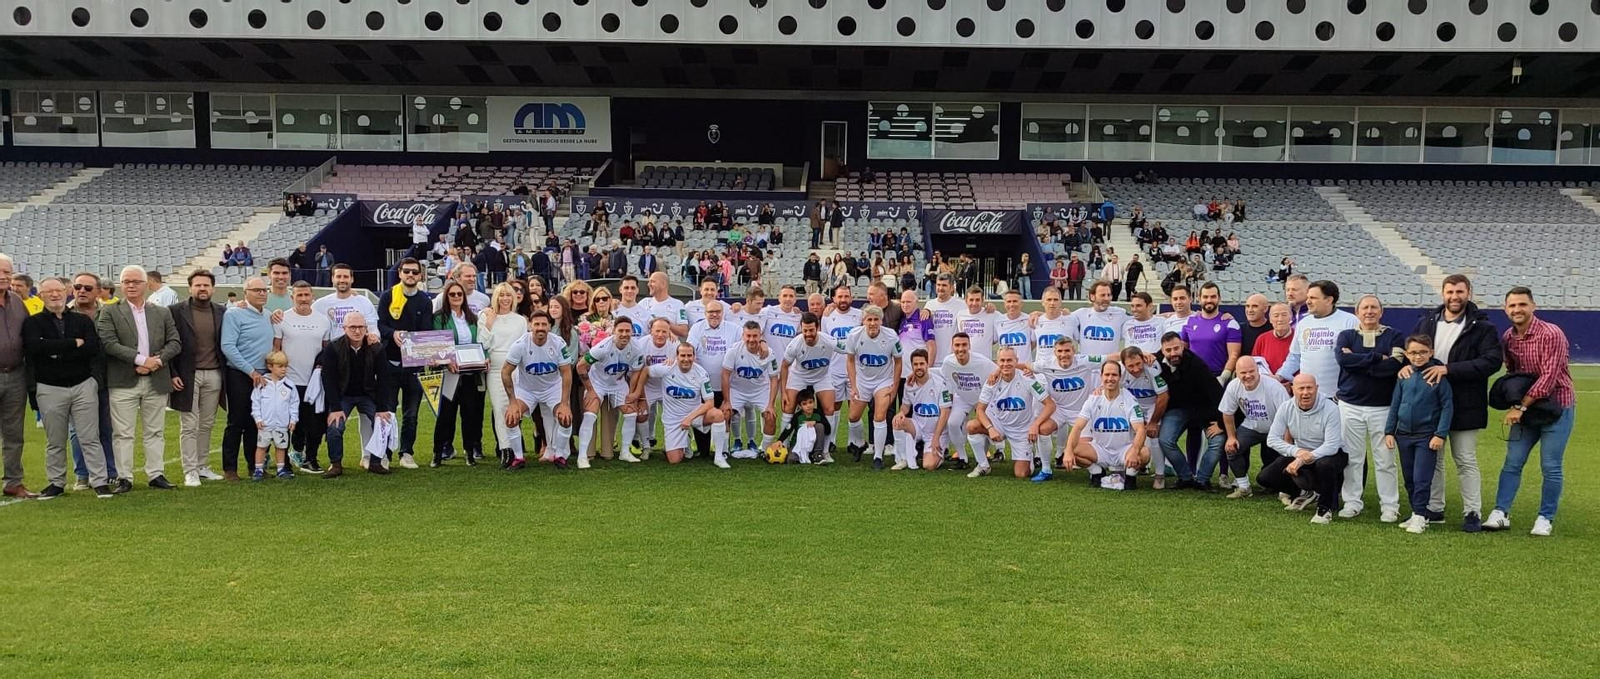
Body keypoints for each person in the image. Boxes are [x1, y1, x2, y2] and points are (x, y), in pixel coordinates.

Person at [1408, 274, 1499, 532]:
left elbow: (1491, 361)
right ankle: (1434, 509)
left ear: (1468, 293)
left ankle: (1472, 511)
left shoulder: (1483, 327)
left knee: (1465, 459)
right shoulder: (1426, 322)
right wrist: (1404, 368)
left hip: (1466, 404)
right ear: (1443, 293)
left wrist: (1449, 369)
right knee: (1432, 459)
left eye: (1459, 292)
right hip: (1430, 405)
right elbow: (1413, 353)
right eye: (1450, 292)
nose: (1454, 297)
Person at [1484, 287, 1572, 537]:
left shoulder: (1551, 333)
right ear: (1505, 309)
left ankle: (1545, 517)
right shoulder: (1508, 338)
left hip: (1558, 405)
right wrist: (1516, 401)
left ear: (1533, 306)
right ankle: (1501, 513)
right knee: (1512, 461)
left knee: (1551, 465)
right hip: (1526, 411)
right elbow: (1513, 373)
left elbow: (1549, 377)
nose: (1517, 310)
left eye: (1522, 304)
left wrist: (1520, 406)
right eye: (1512, 306)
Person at [23, 277, 113, 498]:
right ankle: (56, 482)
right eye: (49, 292)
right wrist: (73, 343)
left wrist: (53, 350)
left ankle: (99, 481)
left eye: (58, 291)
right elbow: (35, 348)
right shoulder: (33, 323)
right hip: (49, 387)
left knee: (89, 436)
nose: (54, 295)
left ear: (66, 292)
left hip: (83, 384)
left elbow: (92, 347)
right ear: (41, 295)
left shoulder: (82, 320)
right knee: (55, 439)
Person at [96, 265, 182, 491]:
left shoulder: (162, 312)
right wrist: (142, 361)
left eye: (135, 281)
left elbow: (174, 342)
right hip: (124, 380)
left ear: (146, 284)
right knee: (123, 432)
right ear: (121, 285)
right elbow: (108, 343)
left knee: (155, 431)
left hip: (156, 379)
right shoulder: (109, 312)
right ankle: (125, 477)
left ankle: (156, 474)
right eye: (126, 282)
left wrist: (157, 362)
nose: (131, 285)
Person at [1333, 294, 1405, 522]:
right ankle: (1352, 502)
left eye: (1374, 307)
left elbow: (1393, 367)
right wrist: (1376, 358)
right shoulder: (1346, 335)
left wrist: (1359, 361)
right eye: (1365, 308)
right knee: (1353, 458)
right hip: (1350, 405)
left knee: (1385, 459)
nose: (1369, 311)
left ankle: (1390, 505)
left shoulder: (1394, 335)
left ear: (1381, 312)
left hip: (1382, 407)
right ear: (1357, 312)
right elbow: (1343, 362)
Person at [1385, 334, 1455, 534]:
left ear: (1431, 353)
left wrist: (1440, 434)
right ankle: (1417, 512)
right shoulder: (1403, 376)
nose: (1418, 357)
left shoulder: (1437, 376)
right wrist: (1389, 431)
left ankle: (1420, 516)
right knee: (1409, 477)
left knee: (1421, 477)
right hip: (1403, 435)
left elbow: (1447, 406)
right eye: (1413, 353)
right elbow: (1396, 403)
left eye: (1423, 352)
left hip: (1426, 436)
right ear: (1407, 354)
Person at [1260, 374, 1348, 525]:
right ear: (1293, 389)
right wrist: (1297, 452)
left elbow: (1332, 445)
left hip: (1332, 454)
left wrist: (1301, 459)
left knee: (1324, 465)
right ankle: (1305, 493)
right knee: (1265, 478)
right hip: (1301, 452)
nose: (1305, 392)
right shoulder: (1286, 407)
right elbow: (1272, 439)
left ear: (1317, 389)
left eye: (1309, 388)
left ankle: (1324, 510)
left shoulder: (1331, 408)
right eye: (1301, 388)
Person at [170, 270, 228, 487]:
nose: (202, 289)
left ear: (212, 288)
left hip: (214, 374)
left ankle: (202, 466)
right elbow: (169, 343)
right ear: (190, 288)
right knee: (189, 424)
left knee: (207, 423)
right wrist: (172, 374)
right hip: (187, 374)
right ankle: (190, 471)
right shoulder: (176, 312)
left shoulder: (222, 311)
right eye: (198, 285)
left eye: (206, 285)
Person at [320, 312, 394, 477]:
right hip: (342, 396)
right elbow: (328, 380)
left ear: (366, 328)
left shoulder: (376, 348)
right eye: (352, 327)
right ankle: (336, 465)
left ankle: (376, 462)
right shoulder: (333, 348)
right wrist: (336, 408)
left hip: (368, 395)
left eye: (360, 327)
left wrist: (382, 408)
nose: (357, 331)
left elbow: (384, 379)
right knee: (334, 426)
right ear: (344, 328)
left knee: (383, 424)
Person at [377, 259, 434, 469]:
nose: (410, 275)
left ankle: (407, 453)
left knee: (411, 414)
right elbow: (380, 325)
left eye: (414, 272)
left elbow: (427, 331)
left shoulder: (425, 301)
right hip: (389, 364)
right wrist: (393, 334)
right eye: (406, 271)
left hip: (414, 366)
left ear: (420, 276)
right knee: (388, 412)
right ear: (399, 273)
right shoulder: (388, 296)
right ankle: (385, 454)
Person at [967, 347, 1055, 479]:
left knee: (1021, 474)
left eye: (1009, 360)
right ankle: (983, 465)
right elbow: (979, 410)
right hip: (999, 425)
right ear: (997, 362)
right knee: (971, 426)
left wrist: (1035, 424)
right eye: (1002, 360)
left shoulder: (1027, 378)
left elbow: (1050, 405)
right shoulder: (991, 380)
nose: (1005, 363)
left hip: (1021, 429)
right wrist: (990, 429)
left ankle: (1028, 455)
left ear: (1016, 361)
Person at [502, 311, 575, 469]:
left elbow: (567, 372)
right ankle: (519, 459)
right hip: (526, 390)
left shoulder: (558, 343)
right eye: (536, 324)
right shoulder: (520, 344)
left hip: (552, 388)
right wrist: (512, 402)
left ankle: (560, 456)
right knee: (511, 418)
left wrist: (564, 402)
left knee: (565, 418)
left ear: (549, 326)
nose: (540, 328)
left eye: (543, 324)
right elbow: (505, 371)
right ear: (530, 326)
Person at [219, 276, 274, 481]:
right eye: (257, 290)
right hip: (241, 375)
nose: (262, 293)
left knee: (256, 422)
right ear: (246, 293)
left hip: (263, 376)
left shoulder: (267, 315)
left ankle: (255, 466)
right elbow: (228, 346)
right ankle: (230, 468)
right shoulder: (234, 314)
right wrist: (250, 371)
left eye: (264, 290)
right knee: (237, 421)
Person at [1155, 331, 1225, 490]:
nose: (1173, 353)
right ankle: (1185, 477)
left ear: (1183, 346)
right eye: (1168, 350)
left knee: (1217, 441)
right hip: (1178, 408)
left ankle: (1202, 479)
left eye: (1176, 348)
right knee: (1165, 440)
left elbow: (1218, 394)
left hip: (1204, 408)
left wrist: (1220, 423)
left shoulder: (1197, 365)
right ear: (1162, 350)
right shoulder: (1156, 360)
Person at [1065, 360, 1150, 490]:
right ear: (1101, 376)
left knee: (1144, 454)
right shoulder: (1093, 399)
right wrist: (1068, 452)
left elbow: (1140, 429)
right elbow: (1077, 427)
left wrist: (1134, 451)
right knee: (1072, 449)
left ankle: (1130, 475)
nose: (1110, 378)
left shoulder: (1129, 399)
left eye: (1114, 375)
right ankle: (1096, 471)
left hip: (1124, 450)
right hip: (1100, 449)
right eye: (1107, 375)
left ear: (1120, 377)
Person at [67, 272, 118, 489]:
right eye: (78, 287)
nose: (82, 291)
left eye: (88, 288)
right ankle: (82, 474)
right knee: (78, 430)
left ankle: (109, 471)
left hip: (104, 378)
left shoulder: (110, 313)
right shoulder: (63, 314)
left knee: (105, 427)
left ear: (99, 291)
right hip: (73, 379)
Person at [274, 281, 330, 474]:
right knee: (288, 423)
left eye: (307, 295)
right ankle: (286, 463)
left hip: (314, 383)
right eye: (299, 295)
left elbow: (326, 350)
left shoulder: (323, 320)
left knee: (316, 424)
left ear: (312, 296)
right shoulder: (282, 319)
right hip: (289, 381)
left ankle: (311, 458)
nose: (304, 299)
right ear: (292, 297)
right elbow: (276, 349)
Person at [575, 317, 646, 468]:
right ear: (614, 331)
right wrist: (591, 391)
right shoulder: (602, 347)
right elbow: (580, 366)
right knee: (589, 415)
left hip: (617, 384)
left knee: (631, 413)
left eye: (628, 331)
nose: (625, 334)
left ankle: (625, 452)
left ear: (632, 332)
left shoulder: (637, 349)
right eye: (621, 331)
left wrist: (632, 394)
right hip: (597, 383)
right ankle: (582, 457)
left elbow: (636, 372)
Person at [430, 281, 486, 466]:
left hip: (470, 373)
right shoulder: (439, 318)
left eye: (459, 294)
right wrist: (447, 360)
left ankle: (469, 453)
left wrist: (483, 358)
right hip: (449, 373)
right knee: (446, 415)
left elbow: (480, 341)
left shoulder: (473, 318)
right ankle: (438, 453)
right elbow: (437, 343)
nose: (456, 297)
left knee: (470, 414)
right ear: (446, 297)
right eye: (452, 294)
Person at [1218, 357, 1290, 499]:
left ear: (1258, 371)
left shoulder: (1274, 386)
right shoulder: (1233, 386)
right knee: (1232, 448)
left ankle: (1285, 489)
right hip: (1252, 426)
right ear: (1236, 373)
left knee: (1286, 455)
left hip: (1276, 428)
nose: (1248, 376)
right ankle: (1244, 488)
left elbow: (1289, 416)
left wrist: (1287, 443)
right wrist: (1231, 437)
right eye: (1243, 372)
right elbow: (1227, 412)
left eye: (1251, 371)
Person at [1029, 337, 1098, 481]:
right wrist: (996, 372)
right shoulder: (1046, 364)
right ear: (1054, 352)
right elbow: (1023, 366)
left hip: (1082, 411)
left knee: (1083, 449)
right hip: (1059, 409)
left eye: (1067, 350)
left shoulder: (1085, 361)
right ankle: (1046, 469)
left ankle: (1094, 469)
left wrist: (1145, 355)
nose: (1063, 354)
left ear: (1074, 351)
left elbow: (1113, 357)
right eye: (1059, 351)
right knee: (1043, 430)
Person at [649, 342, 729, 466]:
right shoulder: (666, 368)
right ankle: (682, 442)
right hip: (673, 419)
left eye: (689, 355)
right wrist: (640, 394)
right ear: (677, 356)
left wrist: (689, 418)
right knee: (674, 460)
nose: (686, 359)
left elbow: (710, 403)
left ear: (694, 356)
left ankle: (719, 457)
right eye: (683, 355)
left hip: (694, 415)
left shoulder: (701, 373)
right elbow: (644, 371)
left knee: (718, 414)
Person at [840, 305, 901, 469]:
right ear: (863, 320)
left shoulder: (891, 336)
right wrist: (853, 385)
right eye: (869, 319)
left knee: (879, 415)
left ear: (881, 321)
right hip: (863, 381)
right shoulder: (854, 335)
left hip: (883, 381)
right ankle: (860, 444)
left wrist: (894, 386)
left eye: (876, 319)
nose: (873, 323)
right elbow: (850, 360)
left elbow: (898, 360)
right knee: (853, 417)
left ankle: (878, 457)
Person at [1276, 280, 1357, 397]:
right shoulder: (1303, 324)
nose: (1308, 301)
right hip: (1308, 396)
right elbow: (1295, 357)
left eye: (1313, 298)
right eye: (1308, 297)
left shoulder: (1350, 321)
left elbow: (1358, 357)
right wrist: (1279, 376)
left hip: (1338, 396)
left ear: (1329, 300)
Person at [481, 283, 528, 465]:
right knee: (499, 408)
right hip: (494, 368)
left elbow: (523, 345)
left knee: (515, 408)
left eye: (509, 295)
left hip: (515, 368)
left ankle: (517, 450)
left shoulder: (520, 320)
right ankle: (505, 449)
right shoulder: (485, 316)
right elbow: (482, 343)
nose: (505, 299)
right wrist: (489, 324)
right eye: (501, 295)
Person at [722, 320, 779, 459]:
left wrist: (771, 404)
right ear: (743, 336)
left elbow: (774, 378)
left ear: (760, 336)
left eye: (755, 336)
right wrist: (727, 401)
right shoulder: (734, 351)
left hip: (759, 390)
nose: (751, 339)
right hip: (737, 389)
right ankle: (724, 450)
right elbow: (725, 375)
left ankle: (765, 450)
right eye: (748, 336)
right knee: (725, 414)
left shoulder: (769, 353)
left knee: (771, 417)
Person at [940, 333, 998, 470]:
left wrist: (995, 374)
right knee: (952, 423)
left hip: (982, 399)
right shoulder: (948, 361)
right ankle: (962, 458)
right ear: (952, 347)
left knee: (982, 425)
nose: (961, 348)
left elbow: (999, 369)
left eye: (964, 345)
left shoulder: (981, 361)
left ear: (969, 346)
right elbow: (942, 375)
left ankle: (982, 458)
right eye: (957, 345)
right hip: (962, 397)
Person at [0, 254, 30, 498]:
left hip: (15, 375)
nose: (3, 276)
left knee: (14, 433)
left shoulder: (18, 302)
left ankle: (13, 482)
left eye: (7, 272)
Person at [248, 351, 298, 481]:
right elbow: (256, 402)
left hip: (282, 424)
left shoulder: (289, 385)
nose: (284, 369)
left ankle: (281, 469)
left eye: (285, 366)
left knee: (281, 447)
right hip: (265, 424)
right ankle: (258, 470)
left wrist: (293, 419)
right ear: (270, 367)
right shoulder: (262, 383)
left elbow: (294, 404)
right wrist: (258, 418)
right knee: (261, 446)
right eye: (280, 366)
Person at [1181, 282, 1242, 379]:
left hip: (1217, 377)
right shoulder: (1189, 322)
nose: (1209, 300)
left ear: (1219, 298)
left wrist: (1223, 378)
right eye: (1205, 297)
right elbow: (1182, 351)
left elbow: (1234, 355)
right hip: (1192, 377)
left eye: (1213, 296)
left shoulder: (1230, 323)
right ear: (1199, 299)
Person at [1252, 303, 1295, 374]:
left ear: (1291, 317)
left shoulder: (1298, 337)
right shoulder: (1262, 339)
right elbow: (1255, 364)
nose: (1280, 319)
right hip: (1267, 383)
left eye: (1284, 315)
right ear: (1270, 319)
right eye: (1276, 316)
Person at [1238, 293, 1272, 360]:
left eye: (1255, 306)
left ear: (1265, 309)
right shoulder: (1239, 329)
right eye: (1247, 306)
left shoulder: (1273, 329)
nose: (1250, 310)